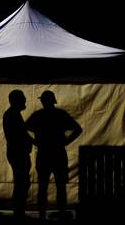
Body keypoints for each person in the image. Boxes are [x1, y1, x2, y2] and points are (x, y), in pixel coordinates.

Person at [25, 89, 82, 218]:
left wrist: (34, 142)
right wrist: (66, 142)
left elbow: (24, 129)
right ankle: (61, 213)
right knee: (61, 187)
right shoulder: (60, 115)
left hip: (44, 153)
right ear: (53, 101)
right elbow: (78, 129)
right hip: (58, 153)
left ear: (43, 101)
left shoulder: (38, 115)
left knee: (43, 187)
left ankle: (42, 215)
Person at [3, 89, 33, 216]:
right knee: (22, 182)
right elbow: (20, 134)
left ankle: (19, 211)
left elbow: (22, 133)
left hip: (17, 153)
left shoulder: (12, 114)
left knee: (21, 182)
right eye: (22, 98)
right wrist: (32, 142)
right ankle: (19, 211)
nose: (25, 100)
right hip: (18, 154)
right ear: (16, 100)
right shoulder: (12, 115)